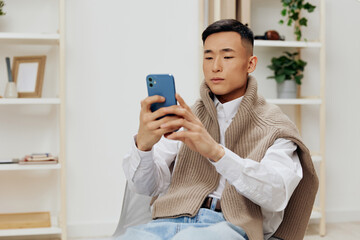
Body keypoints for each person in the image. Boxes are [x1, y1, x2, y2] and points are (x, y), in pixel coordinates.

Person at [121, 19, 318, 240]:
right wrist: (144, 147)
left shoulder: (275, 126)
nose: (215, 66)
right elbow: (145, 188)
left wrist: (216, 152)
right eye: (208, 57)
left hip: (228, 226)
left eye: (227, 56)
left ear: (250, 64)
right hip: (167, 221)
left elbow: (276, 193)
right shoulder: (186, 116)